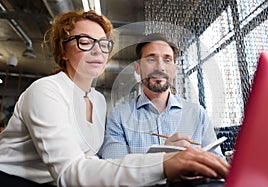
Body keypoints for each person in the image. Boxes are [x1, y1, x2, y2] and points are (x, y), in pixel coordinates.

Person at [0, 10, 229, 187]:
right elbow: (70, 172)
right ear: (63, 51)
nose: (97, 51)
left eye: (103, 44)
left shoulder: (98, 101)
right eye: (85, 41)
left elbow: (94, 164)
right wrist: (162, 162)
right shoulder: (46, 91)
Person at [100, 33, 225, 160]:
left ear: (174, 69)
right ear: (137, 68)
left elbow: (219, 163)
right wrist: (161, 159)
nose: (160, 67)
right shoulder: (119, 117)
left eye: (167, 60)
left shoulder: (197, 114)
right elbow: (114, 169)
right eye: (151, 59)